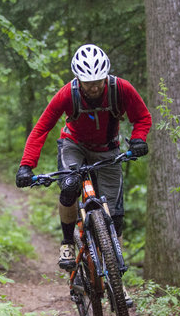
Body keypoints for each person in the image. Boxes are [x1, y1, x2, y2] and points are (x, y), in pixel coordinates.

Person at [15, 44, 151, 273]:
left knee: (115, 214)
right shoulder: (68, 93)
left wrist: (138, 139)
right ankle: (67, 242)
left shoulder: (121, 89)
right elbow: (41, 128)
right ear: (79, 79)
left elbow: (143, 117)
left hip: (108, 149)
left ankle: (113, 266)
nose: (95, 87)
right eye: (88, 83)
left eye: (99, 81)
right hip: (74, 146)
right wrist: (26, 166)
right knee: (69, 186)